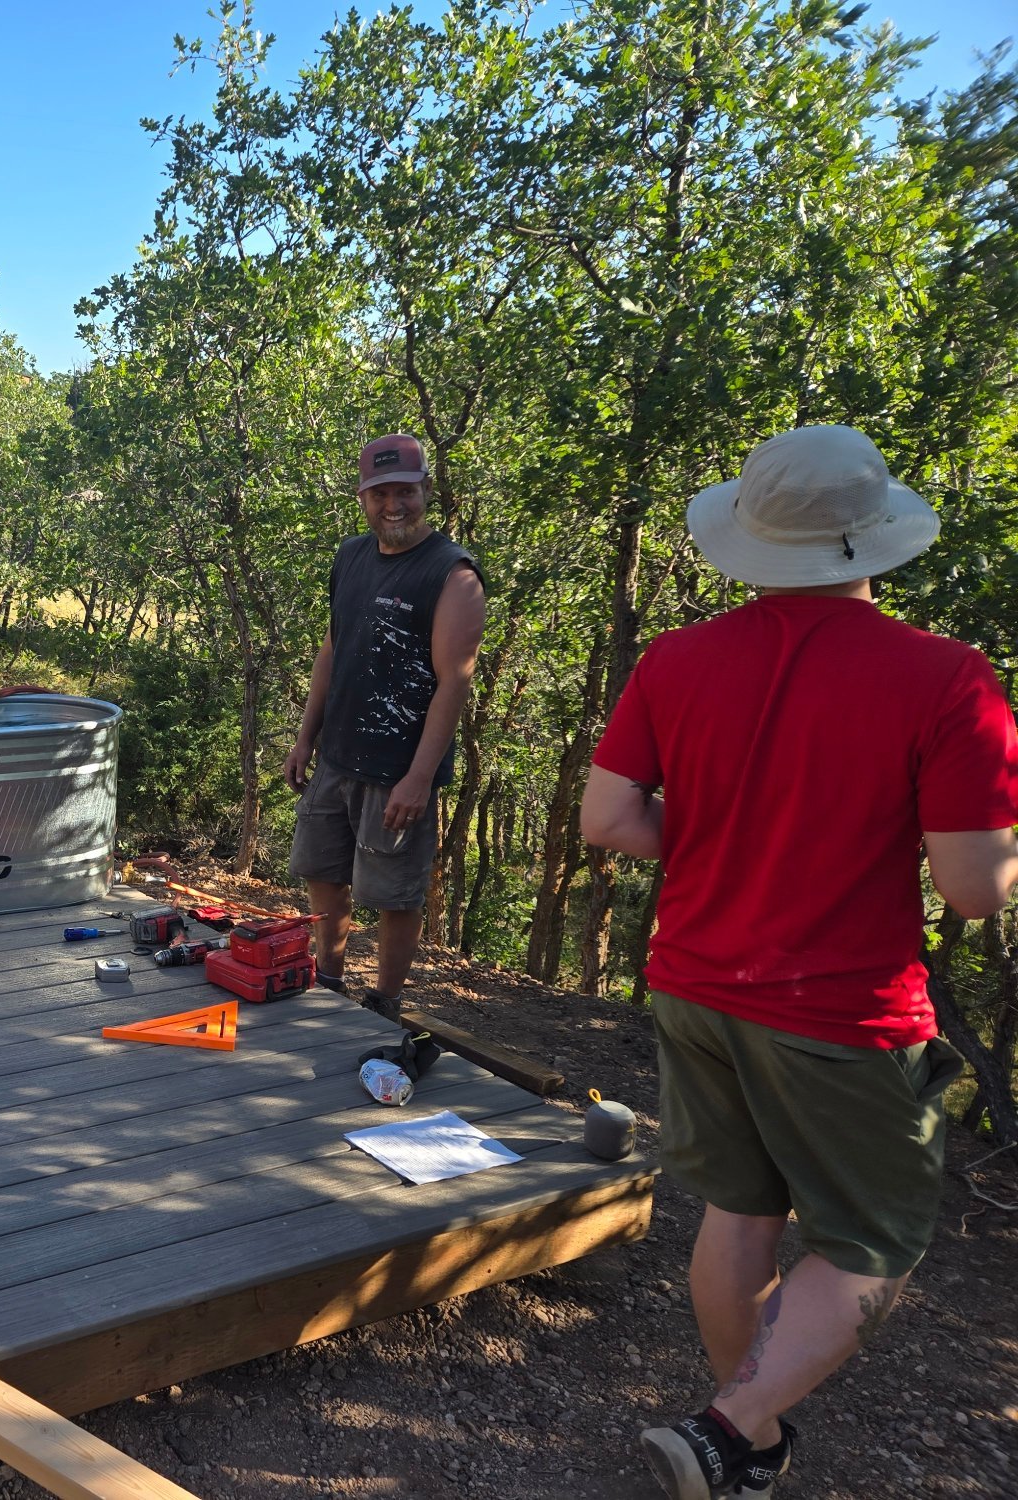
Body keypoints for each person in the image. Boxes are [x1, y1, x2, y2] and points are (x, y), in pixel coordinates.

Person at [580, 425, 1018, 1500]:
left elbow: (607, 818)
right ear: (871, 539)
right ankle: (730, 1428)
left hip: (690, 982)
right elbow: (973, 890)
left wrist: (724, 843)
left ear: (751, 538)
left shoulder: (676, 660)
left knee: (738, 1212)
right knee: (874, 1239)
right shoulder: (946, 681)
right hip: (840, 1014)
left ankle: (750, 1445)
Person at [285, 433, 486, 1019]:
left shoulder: (453, 574)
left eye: (406, 491)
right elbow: (331, 648)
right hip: (336, 756)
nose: (394, 505)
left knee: (393, 896)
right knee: (323, 873)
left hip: (399, 770)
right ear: (362, 497)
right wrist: (305, 737)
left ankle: (385, 1000)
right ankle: (329, 977)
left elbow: (456, 680)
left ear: (426, 491)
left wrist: (420, 777)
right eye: (381, 494)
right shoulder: (351, 556)